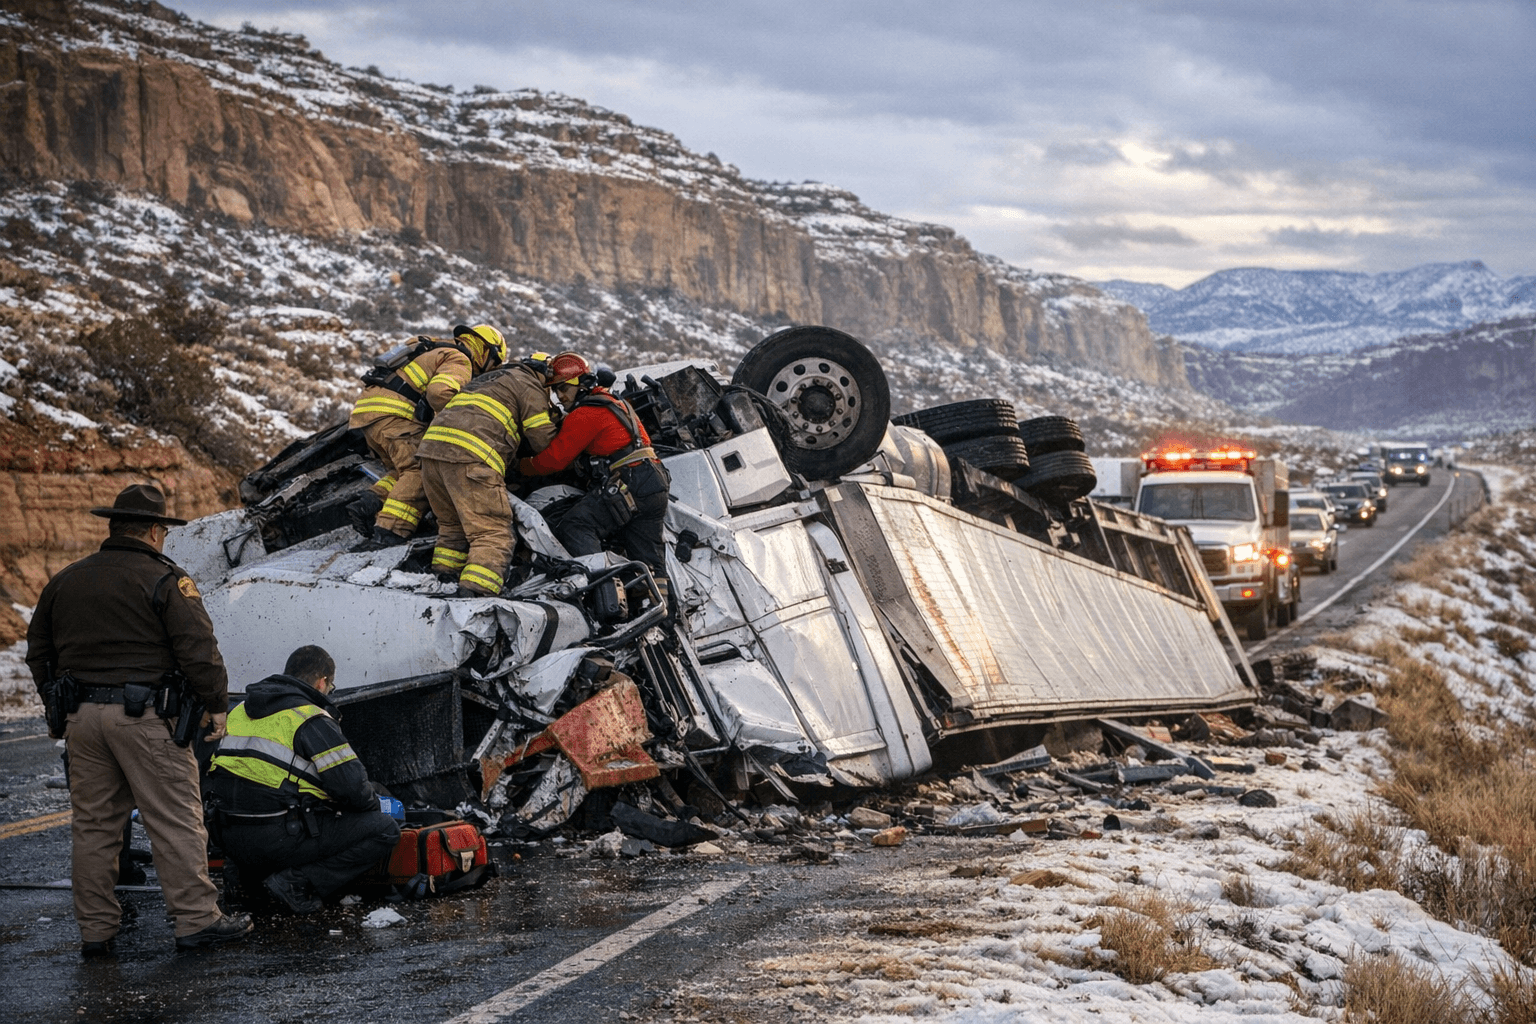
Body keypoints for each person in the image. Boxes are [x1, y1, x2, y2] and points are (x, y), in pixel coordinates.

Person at [25, 483, 252, 955]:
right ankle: (195, 920)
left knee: (94, 828)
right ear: (155, 531)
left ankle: (96, 932)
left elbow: (39, 654)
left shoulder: (65, 580)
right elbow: (198, 650)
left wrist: (57, 712)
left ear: (114, 526)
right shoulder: (165, 579)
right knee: (174, 819)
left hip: (82, 721)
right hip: (148, 719)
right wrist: (215, 704)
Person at [204, 645, 401, 915]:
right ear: (323, 682)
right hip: (277, 838)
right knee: (384, 828)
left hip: (226, 835)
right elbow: (353, 790)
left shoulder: (238, 711)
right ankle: (296, 883)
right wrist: (374, 805)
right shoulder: (310, 718)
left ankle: (243, 880)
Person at [347, 324, 508, 548]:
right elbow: (440, 392)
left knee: (402, 472)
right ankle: (389, 532)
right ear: (485, 351)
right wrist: (460, 423)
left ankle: (370, 502)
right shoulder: (459, 359)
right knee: (422, 470)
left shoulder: (433, 347)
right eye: (494, 362)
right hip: (396, 417)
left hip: (369, 414)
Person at [517, 352, 672, 580]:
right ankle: (661, 610)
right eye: (555, 391)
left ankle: (603, 588)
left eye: (562, 388)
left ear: (582, 384)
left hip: (630, 484)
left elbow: (554, 460)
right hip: (654, 482)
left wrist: (520, 467)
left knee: (575, 525)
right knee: (649, 560)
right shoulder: (618, 405)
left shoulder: (585, 414)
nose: (559, 397)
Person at [417, 352, 561, 596]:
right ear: (542, 373)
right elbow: (541, 439)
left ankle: (443, 580)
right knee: (492, 532)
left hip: (431, 454)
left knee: (453, 528)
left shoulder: (487, 379)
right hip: (471, 458)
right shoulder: (529, 383)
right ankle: (478, 593)